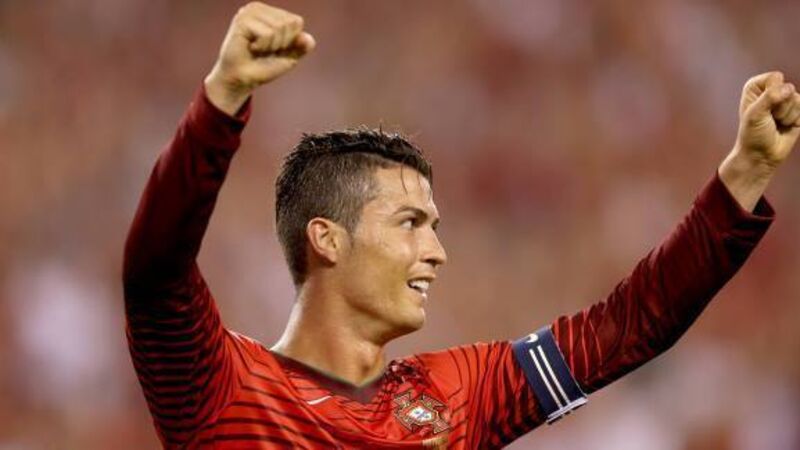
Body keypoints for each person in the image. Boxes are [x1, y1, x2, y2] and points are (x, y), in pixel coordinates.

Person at [122, 3, 800, 449]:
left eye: (436, 226)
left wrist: (742, 177)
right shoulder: (222, 387)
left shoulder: (456, 395)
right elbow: (156, 271)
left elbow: (625, 328)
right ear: (327, 238)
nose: (437, 252)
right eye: (410, 223)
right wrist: (221, 101)